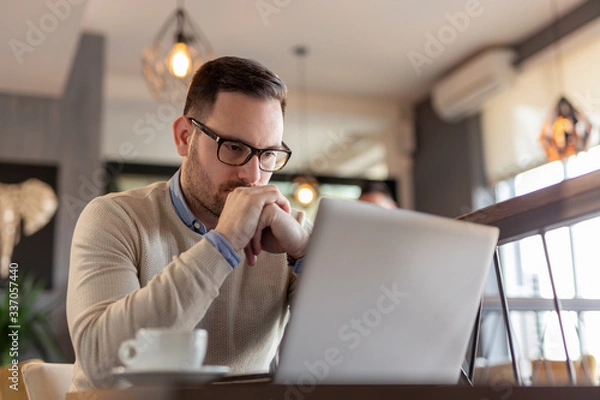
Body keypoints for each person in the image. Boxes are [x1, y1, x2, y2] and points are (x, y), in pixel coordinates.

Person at [66, 57, 312, 390]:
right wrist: (222, 244)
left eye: (268, 154)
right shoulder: (115, 218)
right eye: (235, 147)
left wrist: (304, 254)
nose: (253, 176)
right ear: (185, 137)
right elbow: (101, 362)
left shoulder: (290, 233)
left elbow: (351, 351)